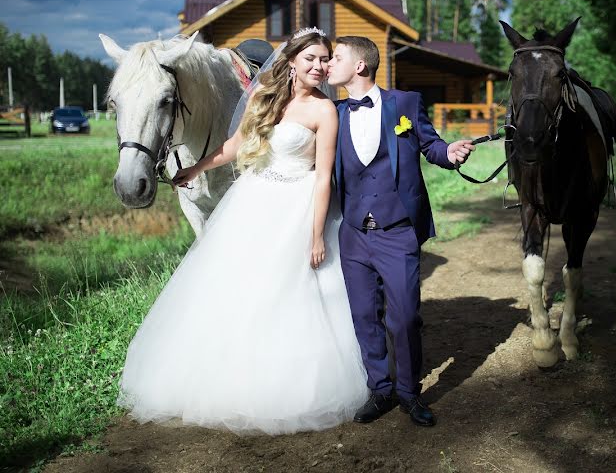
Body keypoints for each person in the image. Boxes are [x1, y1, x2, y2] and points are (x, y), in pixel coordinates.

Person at [116, 29, 369, 435]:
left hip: (299, 205)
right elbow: (235, 144)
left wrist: (318, 233)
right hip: (255, 199)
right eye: (312, 60)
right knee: (238, 286)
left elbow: (324, 178)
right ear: (291, 62)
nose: (320, 68)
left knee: (292, 292)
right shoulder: (265, 96)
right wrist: (196, 169)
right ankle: (226, 372)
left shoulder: (325, 112)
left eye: (325, 60)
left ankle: (283, 381)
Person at [326, 36, 474, 427]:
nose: (328, 64)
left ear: (360, 65)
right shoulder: (332, 113)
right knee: (364, 316)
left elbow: (431, 145)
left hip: (397, 231)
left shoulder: (404, 104)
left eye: (336, 57)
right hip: (354, 233)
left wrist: (450, 154)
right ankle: (380, 390)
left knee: (406, 317)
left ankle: (409, 393)